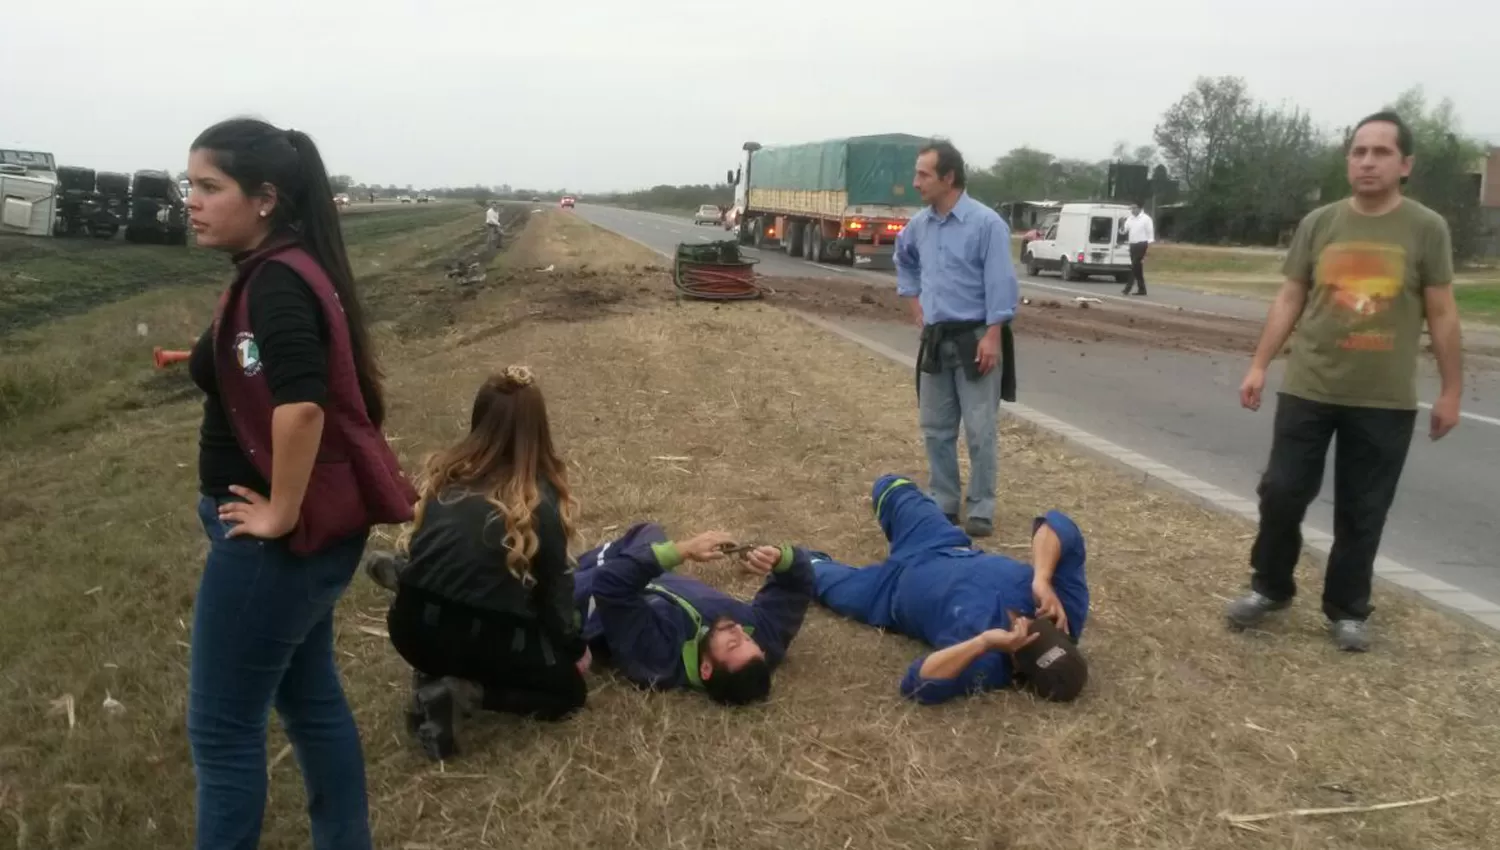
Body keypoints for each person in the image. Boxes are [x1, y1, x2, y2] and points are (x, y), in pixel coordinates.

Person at [183, 118, 416, 850]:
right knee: (310, 701)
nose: (191, 200)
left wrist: (281, 511)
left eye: (208, 186)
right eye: (190, 183)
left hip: (277, 547)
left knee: (222, 732)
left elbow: (303, 407)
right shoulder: (283, 266)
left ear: (264, 198)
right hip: (309, 542)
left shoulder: (277, 281)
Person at [1229, 110, 1464, 652]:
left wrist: (1451, 391)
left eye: (1381, 153)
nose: (1367, 162)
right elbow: (1291, 296)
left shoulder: (1426, 228)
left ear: (1405, 164)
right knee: (1282, 492)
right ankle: (1270, 586)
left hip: (1383, 398)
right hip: (1308, 386)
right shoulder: (1320, 223)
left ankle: (1348, 609)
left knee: (1363, 508)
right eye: (1359, 151)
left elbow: (1444, 313)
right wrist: (1260, 363)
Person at [362, 367, 589, 761]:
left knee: (452, 581)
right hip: (476, 635)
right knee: (567, 693)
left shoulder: (447, 477)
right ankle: (464, 690)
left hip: (409, 630)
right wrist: (570, 645)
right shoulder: (539, 500)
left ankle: (405, 575)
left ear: (478, 419)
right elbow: (555, 589)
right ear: (539, 429)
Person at [811, 475, 1089, 706]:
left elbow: (917, 683)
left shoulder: (988, 664)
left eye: (1025, 642)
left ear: (1019, 670)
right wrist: (1042, 578)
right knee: (890, 485)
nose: (1025, 624)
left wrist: (983, 642)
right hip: (939, 542)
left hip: (887, 594)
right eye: (1040, 627)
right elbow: (1058, 524)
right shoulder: (1064, 605)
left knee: (807, 574)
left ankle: (803, 562)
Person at [895, 139, 1020, 538]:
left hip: (976, 338)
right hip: (936, 338)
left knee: (980, 429)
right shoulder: (920, 225)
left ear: (948, 178)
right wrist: (914, 305)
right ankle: (943, 504)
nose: (916, 183)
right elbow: (905, 260)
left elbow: (1000, 282)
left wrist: (993, 335)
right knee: (935, 426)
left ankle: (981, 508)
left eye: (923, 174)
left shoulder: (986, 225)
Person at [571, 523, 815, 705]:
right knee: (649, 532)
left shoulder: (657, 655)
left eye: (732, 644)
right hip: (654, 579)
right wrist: (781, 559)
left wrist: (681, 551)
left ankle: (569, 568)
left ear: (706, 669)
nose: (739, 629)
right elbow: (798, 586)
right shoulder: (761, 641)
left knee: (588, 574)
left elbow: (611, 585)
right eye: (749, 640)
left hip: (593, 595)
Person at [1122, 202, 1154, 296]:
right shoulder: (1130, 219)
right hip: (1133, 244)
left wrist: (1149, 246)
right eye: (1131, 208)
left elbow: (1150, 233)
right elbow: (1124, 231)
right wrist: (1122, 225)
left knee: (1134, 265)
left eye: (1134, 208)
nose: (1132, 210)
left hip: (1142, 244)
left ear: (1140, 208)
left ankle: (1127, 288)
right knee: (1137, 268)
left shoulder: (1146, 219)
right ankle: (1142, 289)